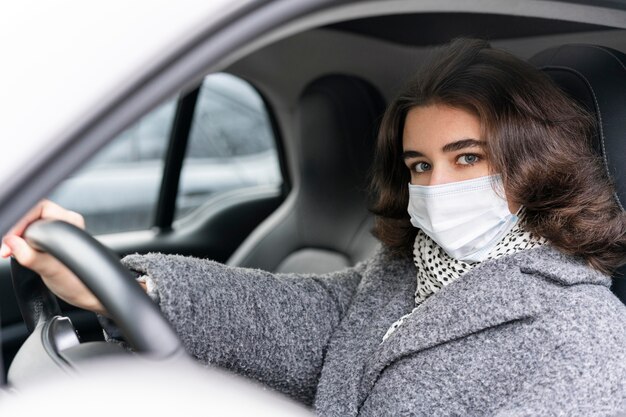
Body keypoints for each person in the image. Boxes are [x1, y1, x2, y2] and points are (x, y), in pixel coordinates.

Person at [2, 39, 625, 416]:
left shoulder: (588, 335)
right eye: (418, 165)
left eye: (467, 158)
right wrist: (115, 286)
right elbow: (282, 314)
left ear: (532, 167)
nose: (436, 188)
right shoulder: (404, 274)